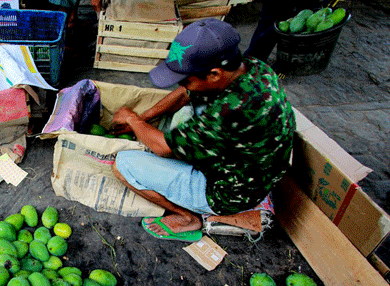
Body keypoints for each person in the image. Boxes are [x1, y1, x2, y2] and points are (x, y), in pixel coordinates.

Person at [110, 18, 296, 242]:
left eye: (186, 80)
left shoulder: (228, 112)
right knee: (188, 106)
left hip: (229, 192)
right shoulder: (253, 67)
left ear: (214, 74)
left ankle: (188, 217)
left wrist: (132, 119)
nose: (182, 86)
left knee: (124, 164)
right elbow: (185, 94)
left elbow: (162, 148)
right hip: (255, 167)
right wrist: (143, 118)